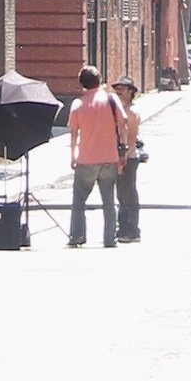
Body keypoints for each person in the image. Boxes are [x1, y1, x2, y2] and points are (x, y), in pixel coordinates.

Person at [66, 65, 126, 248]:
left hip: (86, 159)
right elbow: (123, 121)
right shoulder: (111, 100)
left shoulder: (77, 104)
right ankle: (110, 239)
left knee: (79, 201)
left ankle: (77, 236)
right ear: (99, 80)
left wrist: (73, 156)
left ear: (82, 84)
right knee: (108, 200)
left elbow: (74, 133)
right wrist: (122, 150)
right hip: (109, 157)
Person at [112, 74, 142, 242]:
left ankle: (132, 229)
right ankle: (123, 228)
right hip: (119, 157)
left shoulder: (131, 113)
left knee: (128, 193)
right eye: (116, 89)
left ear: (131, 91)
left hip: (128, 158)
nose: (118, 91)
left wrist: (123, 160)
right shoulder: (119, 111)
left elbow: (132, 141)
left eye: (122, 89)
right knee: (121, 195)